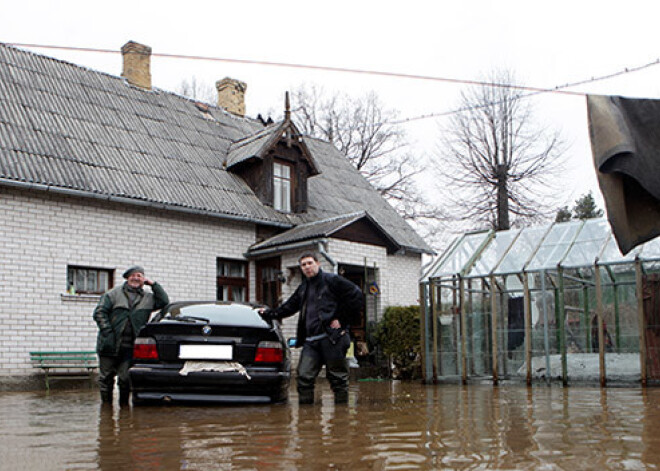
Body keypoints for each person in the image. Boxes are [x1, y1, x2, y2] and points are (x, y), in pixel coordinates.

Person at [260, 252, 364, 404]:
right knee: (303, 377)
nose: (307, 267)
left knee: (338, 379)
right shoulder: (304, 288)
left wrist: (342, 319)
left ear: (318, 264)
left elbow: (356, 295)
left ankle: (342, 419)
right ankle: (307, 420)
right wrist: (270, 313)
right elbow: (289, 307)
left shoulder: (332, 280)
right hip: (311, 341)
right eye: (303, 265)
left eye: (310, 263)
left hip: (333, 338)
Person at [93, 266, 169, 404]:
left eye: (139, 276)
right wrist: (107, 332)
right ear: (127, 278)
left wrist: (154, 284)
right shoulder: (112, 294)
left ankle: (124, 408)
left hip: (131, 347)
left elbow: (164, 302)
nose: (136, 278)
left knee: (125, 379)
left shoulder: (148, 298)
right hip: (109, 344)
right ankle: (106, 409)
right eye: (133, 275)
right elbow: (99, 313)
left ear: (143, 279)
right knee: (106, 378)